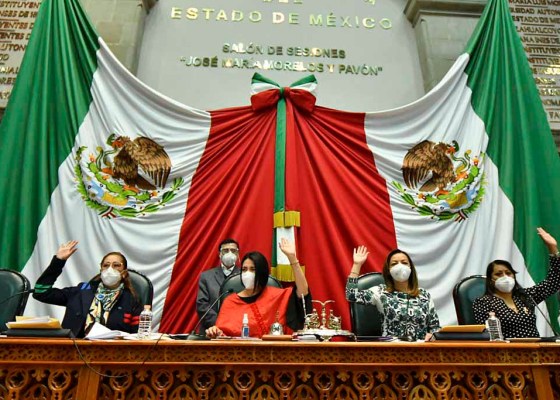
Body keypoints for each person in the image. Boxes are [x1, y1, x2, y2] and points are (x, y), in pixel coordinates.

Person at [33, 241, 143, 338]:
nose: (110, 269)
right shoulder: (82, 291)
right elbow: (41, 292)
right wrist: (58, 261)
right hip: (75, 349)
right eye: (106, 265)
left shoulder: (132, 299)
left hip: (114, 351)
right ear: (101, 270)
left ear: (124, 273)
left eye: (116, 265)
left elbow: (138, 336)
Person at [205, 238, 311, 338]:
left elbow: (303, 293)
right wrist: (215, 331)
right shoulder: (230, 301)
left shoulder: (277, 296)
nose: (247, 273)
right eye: (244, 269)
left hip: (274, 349)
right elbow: (222, 334)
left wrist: (293, 259)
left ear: (262, 273)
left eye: (253, 269)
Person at [473, 227, 560, 338]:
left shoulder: (525, 296)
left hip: (535, 346)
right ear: (490, 279)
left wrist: (552, 248)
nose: (505, 277)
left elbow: (554, 281)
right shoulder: (483, 303)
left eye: (508, 273)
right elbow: (486, 336)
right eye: (498, 274)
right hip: (506, 348)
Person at [346, 246, 440, 341]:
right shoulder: (381, 292)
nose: (400, 266)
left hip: (421, 348)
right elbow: (351, 295)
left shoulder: (424, 295)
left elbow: (435, 328)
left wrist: (432, 336)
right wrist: (357, 265)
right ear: (389, 270)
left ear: (411, 268)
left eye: (404, 263)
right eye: (394, 264)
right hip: (391, 347)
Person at [196, 238, 241, 332]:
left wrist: (233, 325)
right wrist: (219, 324)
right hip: (211, 330)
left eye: (233, 251)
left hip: (237, 329)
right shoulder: (206, 276)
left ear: (237, 254)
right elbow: (202, 305)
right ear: (220, 254)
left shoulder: (243, 276)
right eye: (226, 250)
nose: (229, 253)